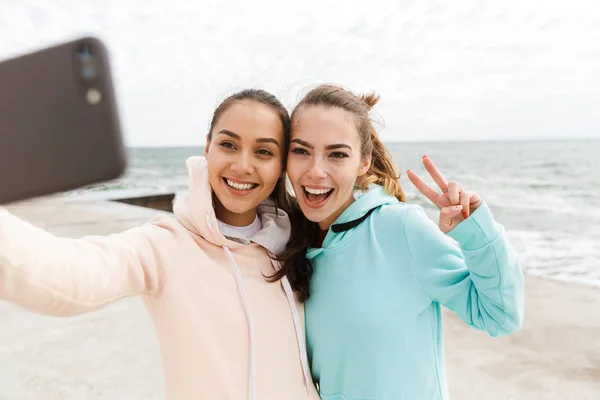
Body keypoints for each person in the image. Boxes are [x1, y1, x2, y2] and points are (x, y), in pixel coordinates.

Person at [0, 89, 319, 400]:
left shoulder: (298, 245)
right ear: (207, 148)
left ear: (281, 166)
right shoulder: (165, 245)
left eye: (263, 151)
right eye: (228, 144)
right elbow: (69, 278)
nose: (242, 165)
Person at [280, 84, 524, 399]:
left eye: (337, 154)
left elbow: (500, 316)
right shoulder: (289, 241)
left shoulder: (401, 229)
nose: (315, 170)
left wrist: (476, 234)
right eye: (301, 150)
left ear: (363, 162)